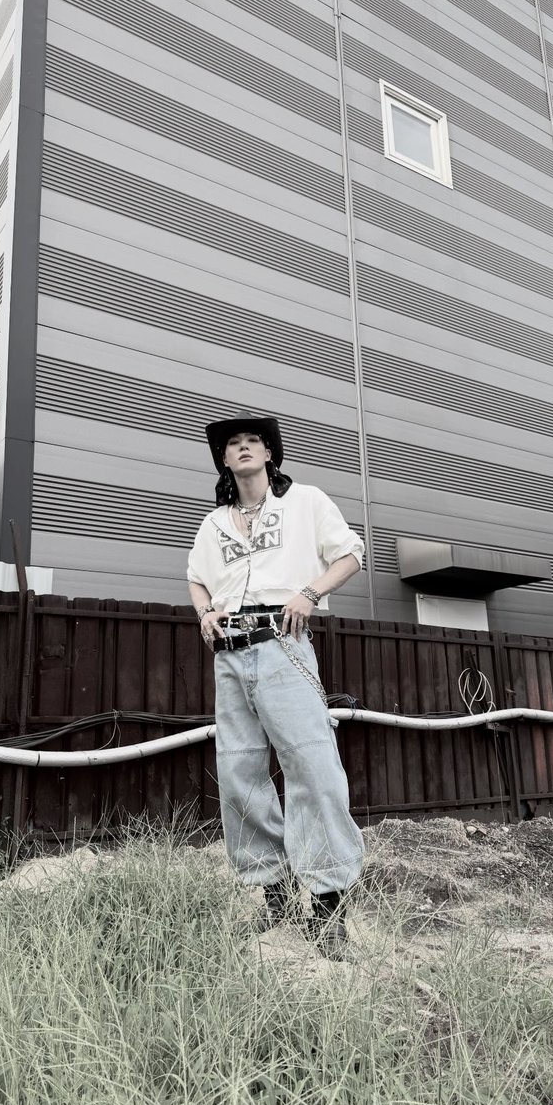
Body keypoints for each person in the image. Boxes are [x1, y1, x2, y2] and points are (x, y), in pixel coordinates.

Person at [186, 410, 366, 961]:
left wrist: (309, 593)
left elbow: (352, 554)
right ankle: (276, 894)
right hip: (230, 652)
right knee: (240, 772)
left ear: (269, 453)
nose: (242, 449)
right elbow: (196, 575)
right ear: (223, 460)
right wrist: (203, 614)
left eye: (252, 442)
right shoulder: (214, 523)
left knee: (311, 765)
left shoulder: (305, 502)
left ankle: (329, 903)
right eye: (232, 444)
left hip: (283, 641)